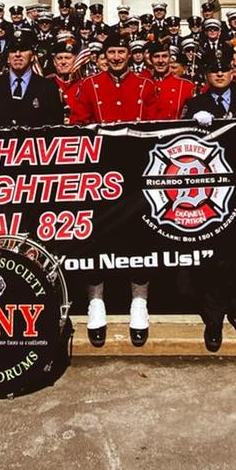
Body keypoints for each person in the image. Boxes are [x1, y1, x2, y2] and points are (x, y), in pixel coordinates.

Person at [67, 31, 157, 346]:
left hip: (137, 175)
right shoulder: (88, 86)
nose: (117, 57)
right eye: (112, 53)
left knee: (139, 239)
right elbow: (79, 126)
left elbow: (158, 128)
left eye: (121, 52)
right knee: (96, 238)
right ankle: (96, 300)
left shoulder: (146, 86)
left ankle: (139, 300)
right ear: (104, 57)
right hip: (100, 175)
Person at [181, 49, 236, 357]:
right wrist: (191, 122)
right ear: (205, 75)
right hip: (207, 192)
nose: (219, 75)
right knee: (212, 255)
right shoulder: (196, 105)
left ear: (234, 72)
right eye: (213, 71)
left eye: (225, 70)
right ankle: (213, 317)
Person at [0, 33, 65, 128]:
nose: (17, 54)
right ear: (8, 58)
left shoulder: (48, 88)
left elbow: (55, 128)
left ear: (32, 56)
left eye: (23, 50)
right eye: (13, 51)